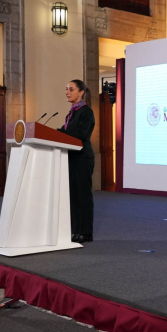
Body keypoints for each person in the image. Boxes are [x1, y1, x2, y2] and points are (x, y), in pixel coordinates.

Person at [58, 80, 96, 244]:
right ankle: (75, 230)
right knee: (73, 196)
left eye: (71, 89)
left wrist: (63, 133)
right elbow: (66, 131)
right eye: (66, 89)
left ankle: (85, 232)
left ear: (81, 93)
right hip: (71, 156)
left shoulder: (86, 111)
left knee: (83, 195)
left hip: (82, 157)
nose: (67, 92)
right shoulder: (72, 112)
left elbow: (80, 133)